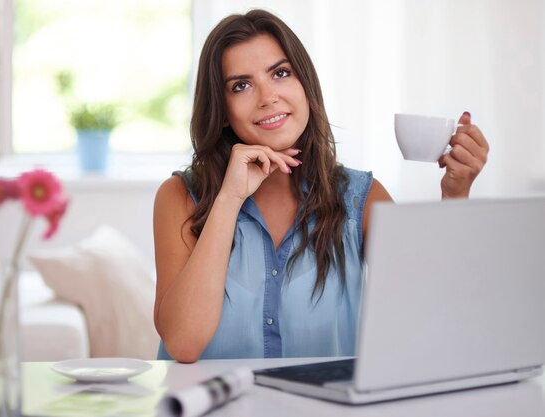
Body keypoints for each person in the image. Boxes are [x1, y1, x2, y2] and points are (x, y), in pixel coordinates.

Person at [153, 9, 489, 363]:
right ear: (221, 110)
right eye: (242, 85)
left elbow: (430, 314)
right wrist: (230, 198)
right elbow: (183, 344)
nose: (268, 97)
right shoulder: (179, 198)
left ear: (306, 87)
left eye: (281, 73)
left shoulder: (361, 198)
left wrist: (456, 196)